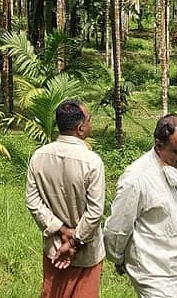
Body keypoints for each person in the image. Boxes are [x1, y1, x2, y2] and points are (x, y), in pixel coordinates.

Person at [104, 114, 177, 298]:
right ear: (158, 145)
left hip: (176, 270)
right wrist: (118, 258)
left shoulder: (170, 167)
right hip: (154, 274)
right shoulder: (137, 179)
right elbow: (117, 228)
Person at [26, 101, 105, 298]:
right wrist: (74, 241)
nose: (90, 123)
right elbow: (95, 212)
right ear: (80, 128)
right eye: (89, 120)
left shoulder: (39, 156)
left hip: (54, 249)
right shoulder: (92, 162)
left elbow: (33, 201)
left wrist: (61, 230)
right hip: (86, 252)